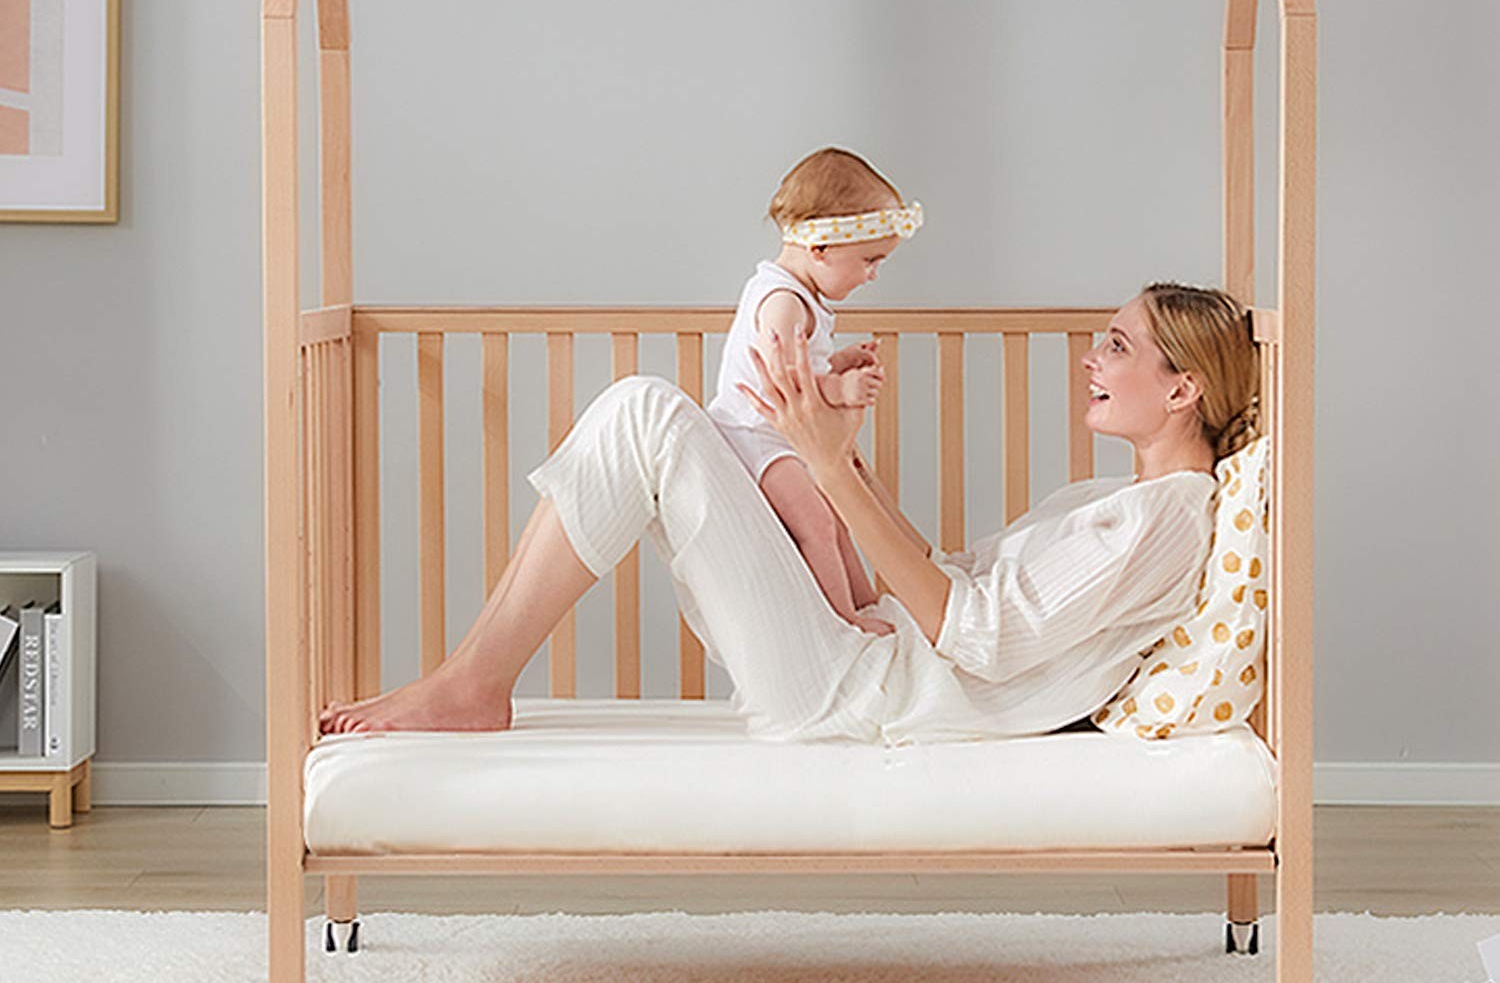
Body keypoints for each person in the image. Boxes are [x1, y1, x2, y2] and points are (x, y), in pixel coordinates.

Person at [318, 283, 1259, 745]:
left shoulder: (1168, 520)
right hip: (859, 648)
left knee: (647, 412)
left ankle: (472, 684)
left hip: (856, 691)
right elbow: (944, 573)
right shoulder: (1114, 501)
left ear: (1183, 390)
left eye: (1118, 346)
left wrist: (828, 467)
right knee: (648, 415)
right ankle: (472, 680)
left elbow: (979, 633)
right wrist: (837, 454)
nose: (1092, 357)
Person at [705, 147, 922, 623]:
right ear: (820, 248)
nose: (873, 274)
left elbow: (802, 364)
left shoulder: (798, 295)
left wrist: (838, 363)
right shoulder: (783, 302)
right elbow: (782, 382)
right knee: (818, 525)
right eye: (869, 260)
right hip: (751, 437)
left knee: (837, 518)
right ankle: (843, 621)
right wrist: (840, 391)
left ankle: (868, 605)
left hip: (776, 436)